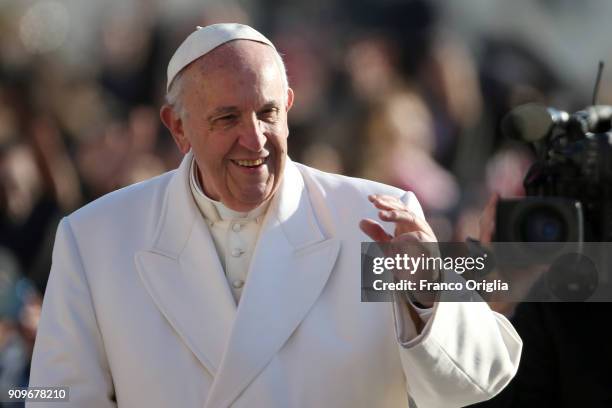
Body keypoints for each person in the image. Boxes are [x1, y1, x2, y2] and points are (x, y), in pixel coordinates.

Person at [28, 24, 521, 408]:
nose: (255, 139)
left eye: (267, 114)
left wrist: (427, 288)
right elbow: (54, 397)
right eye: (226, 118)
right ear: (178, 128)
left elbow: (479, 379)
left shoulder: (376, 221)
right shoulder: (96, 238)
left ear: (288, 107)